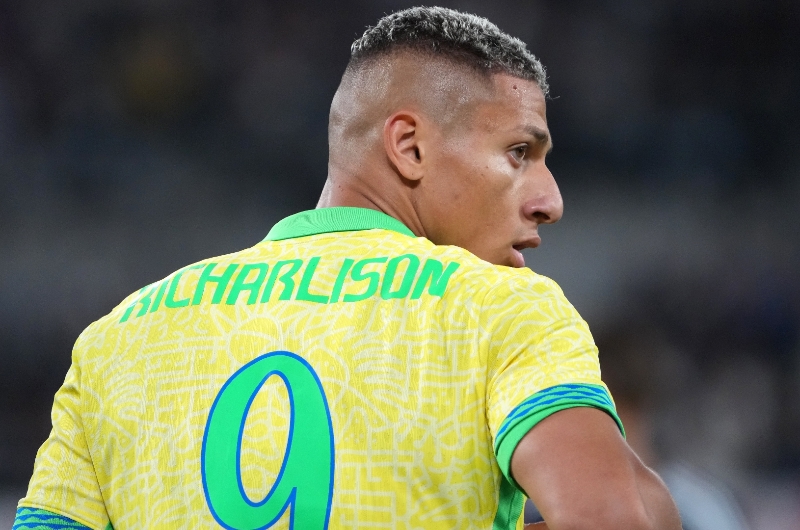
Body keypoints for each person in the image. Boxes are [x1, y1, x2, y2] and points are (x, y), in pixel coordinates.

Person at [13, 6, 681, 530]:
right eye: (518, 152)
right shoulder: (500, 308)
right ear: (410, 147)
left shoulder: (116, 340)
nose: (550, 200)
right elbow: (614, 519)